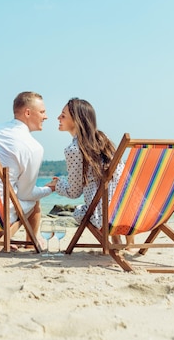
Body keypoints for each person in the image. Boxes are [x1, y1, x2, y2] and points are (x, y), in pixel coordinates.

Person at [53, 97, 135, 246]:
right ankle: (127, 243)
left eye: (63, 115)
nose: (58, 118)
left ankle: (109, 241)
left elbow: (74, 192)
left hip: (105, 217)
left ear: (76, 120)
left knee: (79, 212)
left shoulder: (74, 150)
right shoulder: (104, 140)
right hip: (131, 211)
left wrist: (56, 185)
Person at [0, 91, 57, 244]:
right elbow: (26, 194)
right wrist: (50, 189)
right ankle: (31, 243)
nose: (46, 117)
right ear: (28, 113)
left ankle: (6, 239)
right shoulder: (33, 147)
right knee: (34, 199)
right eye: (42, 112)